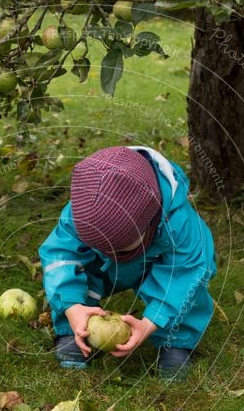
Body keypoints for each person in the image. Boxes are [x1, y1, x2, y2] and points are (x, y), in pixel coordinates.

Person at [38, 145, 218, 379]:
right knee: (73, 273)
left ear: (150, 224)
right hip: (100, 267)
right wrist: (72, 307)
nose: (114, 253)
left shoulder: (179, 223)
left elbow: (188, 272)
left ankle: (177, 341)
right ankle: (73, 329)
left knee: (189, 290)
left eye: (121, 248)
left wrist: (151, 323)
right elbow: (60, 257)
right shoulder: (83, 210)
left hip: (155, 266)